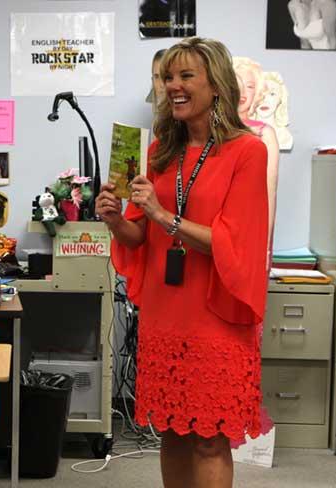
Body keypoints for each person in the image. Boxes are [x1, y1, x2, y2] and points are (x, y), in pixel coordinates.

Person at [95, 37, 269, 487]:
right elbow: (140, 237)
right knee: (171, 429)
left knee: (209, 438)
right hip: (165, 313)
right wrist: (115, 220)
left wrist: (161, 215)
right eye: (167, 77)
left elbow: (233, 244)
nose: (173, 85)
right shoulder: (158, 152)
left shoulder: (248, 152)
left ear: (216, 86)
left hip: (216, 314)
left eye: (185, 75)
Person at [233, 56, 280, 241]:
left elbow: (269, 193)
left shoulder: (264, 133)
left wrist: (265, 244)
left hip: (249, 226)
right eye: (237, 83)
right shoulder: (209, 128)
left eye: (250, 86)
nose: (243, 92)